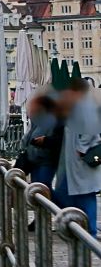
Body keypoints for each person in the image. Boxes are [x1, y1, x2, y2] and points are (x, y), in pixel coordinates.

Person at [54, 79, 101, 235]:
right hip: (74, 163)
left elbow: (91, 129)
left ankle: (91, 232)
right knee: (70, 193)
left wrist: (81, 148)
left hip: (82, 160)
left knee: (86, 195)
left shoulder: (86, 107)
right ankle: (79, 226)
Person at [14, 94, 61, 192]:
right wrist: (24, 146)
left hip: (45, 160)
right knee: (37, 186)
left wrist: (43, 142)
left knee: (42, 186)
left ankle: (52, 205)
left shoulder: (53, 121)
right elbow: (28, 135)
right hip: (33, 160)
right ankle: (44, 206)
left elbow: (54, 139)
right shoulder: (36, 120)